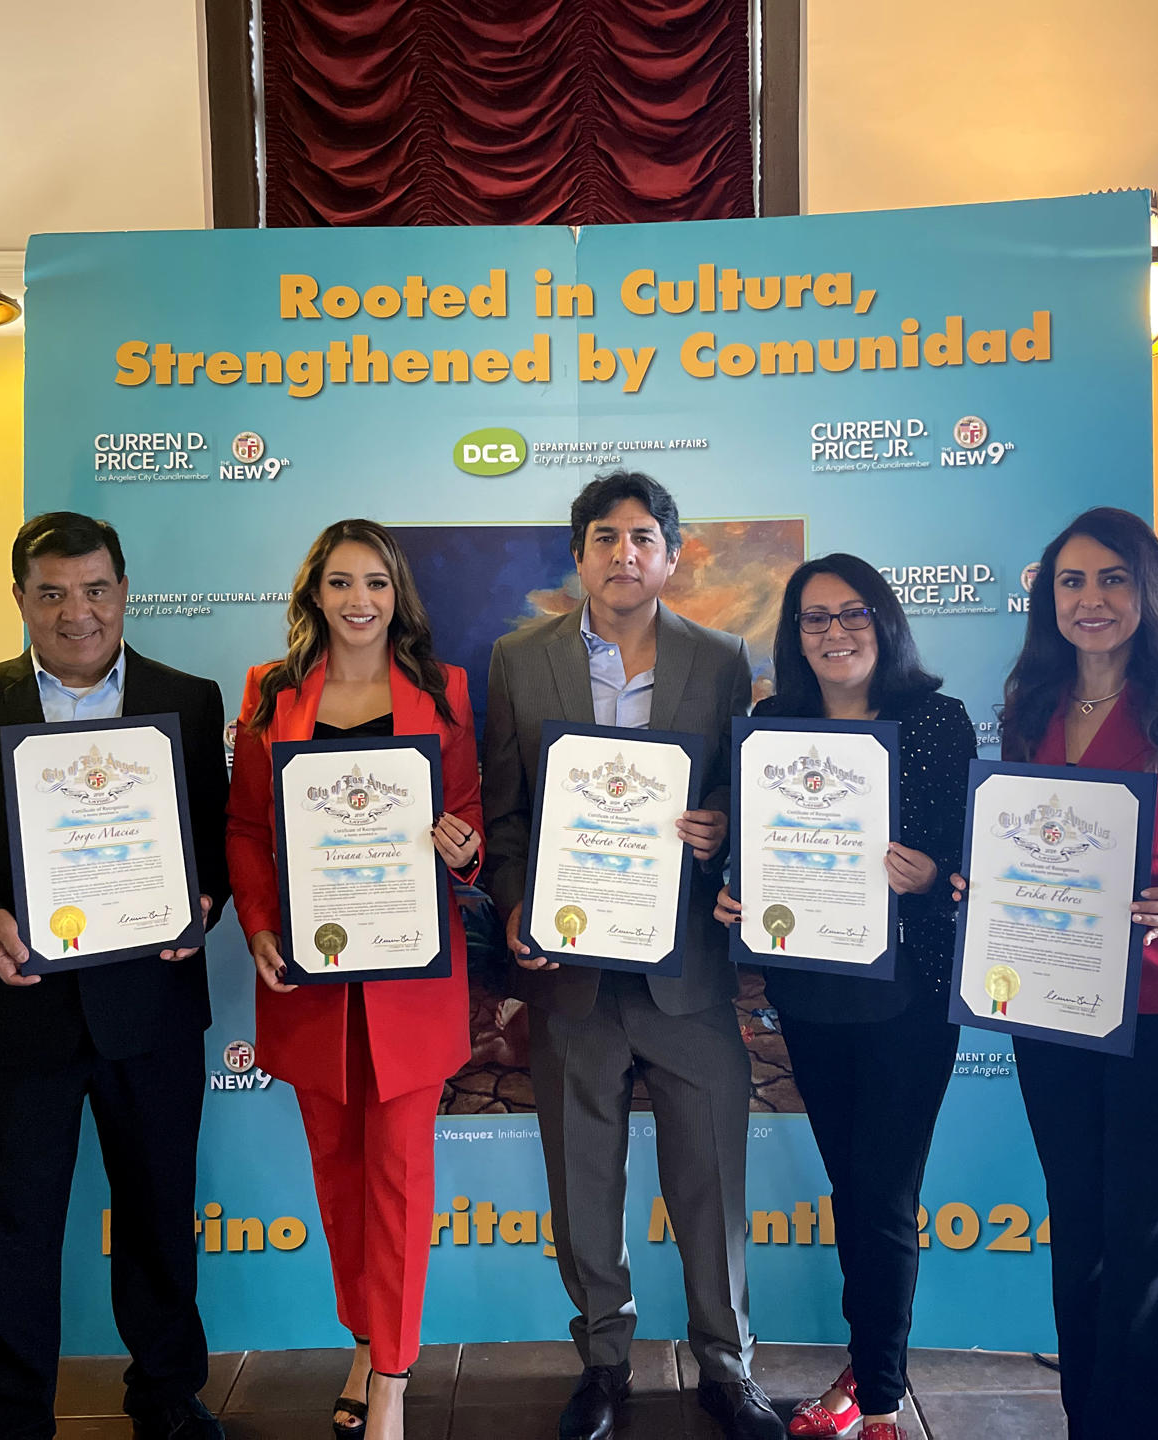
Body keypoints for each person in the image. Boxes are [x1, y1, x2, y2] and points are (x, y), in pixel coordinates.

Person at [0, 511, 230, 1440]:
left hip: (149, 1012)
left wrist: (202, 906)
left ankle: (167, 1395)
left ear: (124, 591)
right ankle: (4, 1422)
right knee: (13, 1234)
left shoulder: (187, 700)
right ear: (21, 600)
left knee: (160, 1223)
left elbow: (215, 843)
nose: (78, 613)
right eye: (53, 594)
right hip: (17, 1012)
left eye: (95, 590)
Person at [952, 507, 1158, 1440]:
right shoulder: (1033, 706)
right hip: (1052, 1004)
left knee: (1146, 1242)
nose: (1091, 601)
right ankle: (1089, 1421)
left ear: (1148, 591)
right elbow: (1021, 834)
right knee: (1079, 1230)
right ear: (1048, 600)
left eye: (1113, 580)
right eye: (1071, 583)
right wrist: (987, 880)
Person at [480, 473, 781, 1440]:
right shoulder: (519, 659)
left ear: (671, 554)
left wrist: (721, 826)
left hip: (685, 968)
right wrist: (518, 898)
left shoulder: (723, 657)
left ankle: (726, 1366)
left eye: (643, 538)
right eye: (604, 537)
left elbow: (744, 791)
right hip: (570, 971)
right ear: (579, 555)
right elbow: (505, 804)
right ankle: (604, 1362)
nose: (623, 554)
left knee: (712, 1184)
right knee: (584, 1180)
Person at [225, 519, 483, 1440]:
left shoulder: (442, 691)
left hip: (410, 985)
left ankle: (393, 1378)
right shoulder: (271, 692)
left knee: (401, 1181)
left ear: (396, 593)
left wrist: (464, 850)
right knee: (338, 1182)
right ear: (315, 595)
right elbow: (249, 830)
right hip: (311, 983)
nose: (359, 600)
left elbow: (468, 821)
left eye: (376, 582)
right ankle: (366, 1338)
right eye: (341, 582)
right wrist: (256, 926)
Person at [715, 555, 974, 1440]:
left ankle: (881, 1401)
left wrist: (934, 874)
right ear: (795, 637)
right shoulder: (773, 723)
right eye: (815, 619)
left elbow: (968, 866)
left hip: (909, 999)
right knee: (851, 1188)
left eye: (853, 614)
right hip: (813, 995)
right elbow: (753, 851)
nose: (834, 632)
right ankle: (869, 1371)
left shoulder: (937, 722)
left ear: (885, 621)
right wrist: (733, 896)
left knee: (884, 1193)